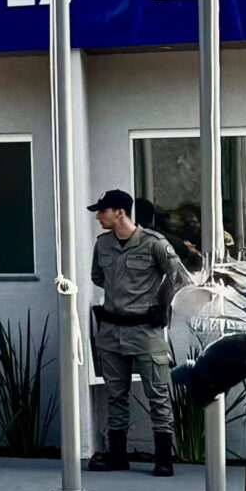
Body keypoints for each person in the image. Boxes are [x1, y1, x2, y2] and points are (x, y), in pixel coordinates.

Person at [88, 189, 191, 475]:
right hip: (112, 330)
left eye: (102, 211)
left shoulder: (153, 243)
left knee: (157, 395)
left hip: (146, 330)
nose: (98, 217)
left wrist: (160, 304)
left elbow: (179, 277)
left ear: (119, 212)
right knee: (115, 395)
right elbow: (98, 276)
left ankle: (163, 458)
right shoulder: (103, 244)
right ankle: (117, 455)